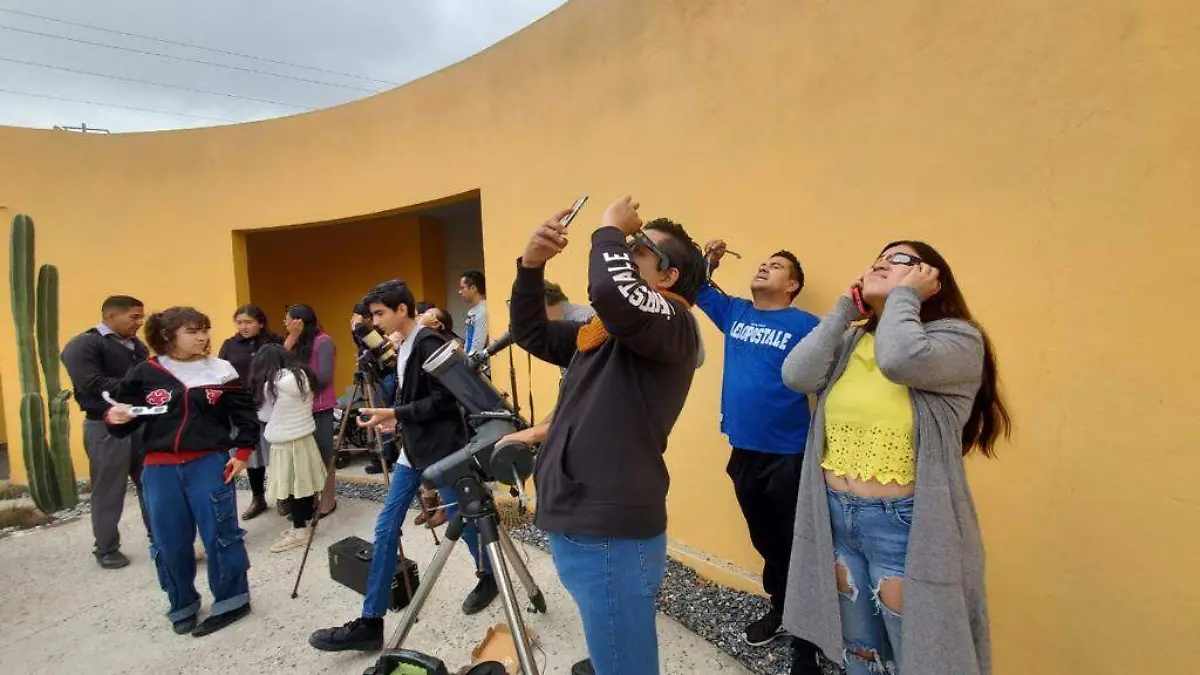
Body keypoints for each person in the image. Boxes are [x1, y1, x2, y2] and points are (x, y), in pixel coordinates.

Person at [780, 242, 1011, 675]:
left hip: (905, 526)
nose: (880, 262)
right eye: (876, 258)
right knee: (860, 651)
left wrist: (904, 299)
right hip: (836, 517)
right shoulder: (852, 342)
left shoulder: (956, 339)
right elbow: (797, 375)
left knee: (919, 652)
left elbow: (901, 359)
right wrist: (842, 314)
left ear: (931, 278)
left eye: (899, 259)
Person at [508, 196, 705, 675]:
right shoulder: (603, 333)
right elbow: (531, 332)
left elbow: (613, 295)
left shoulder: (675, 325)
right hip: (583, 519)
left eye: (638, 249)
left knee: (624, 663)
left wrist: (609, 230)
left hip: (612, 530)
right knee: (613, 650)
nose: (626, 250)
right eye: (627, 245)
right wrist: (532, 266)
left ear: (668, 277)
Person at [308, 280, 498, 654]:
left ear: (402, 309)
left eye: (380, 314)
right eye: (372, 315)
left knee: (467, 519)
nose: (376, 322)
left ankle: (488, 575)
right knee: (386, 527)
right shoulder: (403, 344)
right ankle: (370, 621)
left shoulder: (428, 341)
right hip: (413, 451)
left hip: (442, 451)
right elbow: (407, 394)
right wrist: (395, 417)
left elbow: (446, 401)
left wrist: (397, 413)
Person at [697, 242, 821, 660]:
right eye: (763, 262)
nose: (765, 266)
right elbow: (696, 286)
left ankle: (807, 636)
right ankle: (783, 607)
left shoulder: (807, 325)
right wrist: (707, 261)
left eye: (778, 266)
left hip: (788, 455)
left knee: (793, 545)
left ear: (793, 285)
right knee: (766, 539)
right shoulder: (736, 312)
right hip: (743, 452)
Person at [104, 306, 257, 636]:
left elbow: (245, 415)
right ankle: (182, 603)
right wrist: (114, 419)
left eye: (205, 329)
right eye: (192, 331)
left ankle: (233, 601)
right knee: (168, 541)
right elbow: (124, 415)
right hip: (159, 469)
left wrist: (243, 453)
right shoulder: (144, 372)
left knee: (221, 535)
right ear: (167, 335)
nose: (202, 337)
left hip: (209, 463)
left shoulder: (221, 369)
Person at [61, 294, 152, 569]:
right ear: (111, 316)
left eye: (141, 316)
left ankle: (160, 536)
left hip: (140, 422)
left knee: (151, 484)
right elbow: (91, 384)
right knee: (108, 489)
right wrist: (137, 385)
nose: (139, 322)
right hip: (105, 426)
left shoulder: (136, 346)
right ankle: (106, 547)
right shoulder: (84, 344)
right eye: (134, 316)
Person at [248, 344, 326, 552]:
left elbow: (264, 415)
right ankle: (303, 526)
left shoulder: (272, 385)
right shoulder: (302, 376)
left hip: (284, 441)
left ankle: (299, 530)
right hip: (304, 438)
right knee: (303, 486)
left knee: (291, 488)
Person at [217, 304, 283, 520]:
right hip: (242, 407)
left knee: (277, 452)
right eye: (239, 322)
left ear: (260, 323)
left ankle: (284, 495)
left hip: (272, 405)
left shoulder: (274, 342)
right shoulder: (230, 345)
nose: (243, 327)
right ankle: (258, 497)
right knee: (252, 455)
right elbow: (222, 373)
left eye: (248, 322)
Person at [284, 304, 338, 518]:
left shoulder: (323, 342)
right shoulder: (296, 342)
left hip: (319, 407)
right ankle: (310, 500)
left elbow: (324, 378)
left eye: (287, 319)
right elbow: (273, 365)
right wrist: (292, 338)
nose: (285, 323)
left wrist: (295, 383)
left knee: (324, 454)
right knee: (304, 458)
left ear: (298, 321)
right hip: (297, 408)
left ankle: (327, 501)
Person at [459, 270, 488, 356]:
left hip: (478, 363)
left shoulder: (483, 310)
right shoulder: (472, 311)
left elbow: (478, 345)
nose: (460, 292)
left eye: (462, 288)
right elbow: (469, 340)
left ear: (473, 288)